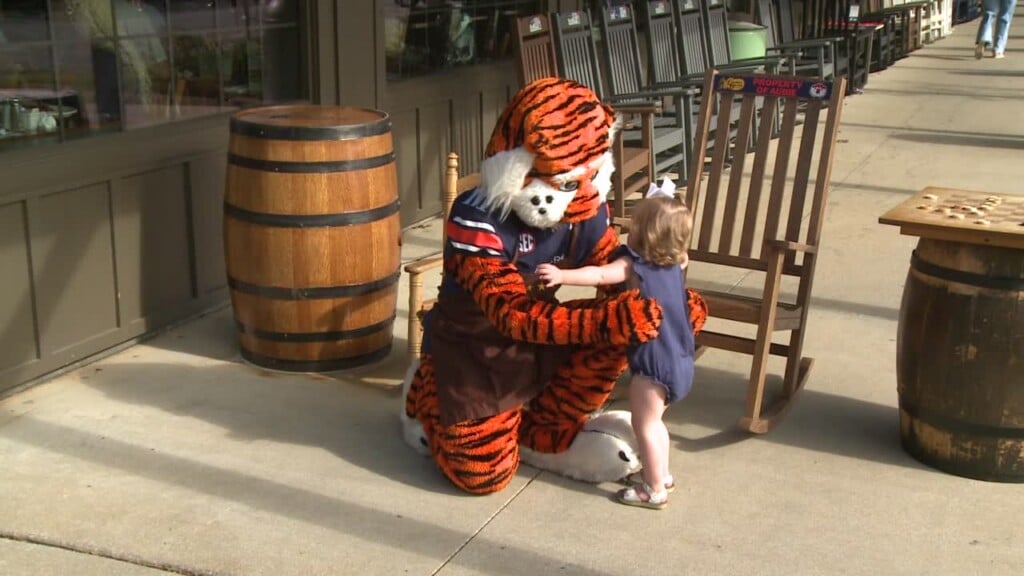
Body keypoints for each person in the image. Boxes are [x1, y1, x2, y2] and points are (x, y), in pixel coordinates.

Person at [536, 187, 696, 510]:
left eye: (635, 225)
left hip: (653, 366)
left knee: (644, 425)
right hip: (680, 358)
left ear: (643, 234)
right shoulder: (678, 263)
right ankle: (661, 474)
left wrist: (561, 274)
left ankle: (653, 490)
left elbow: (598, 274)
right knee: (656, 423)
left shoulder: (633, 266)